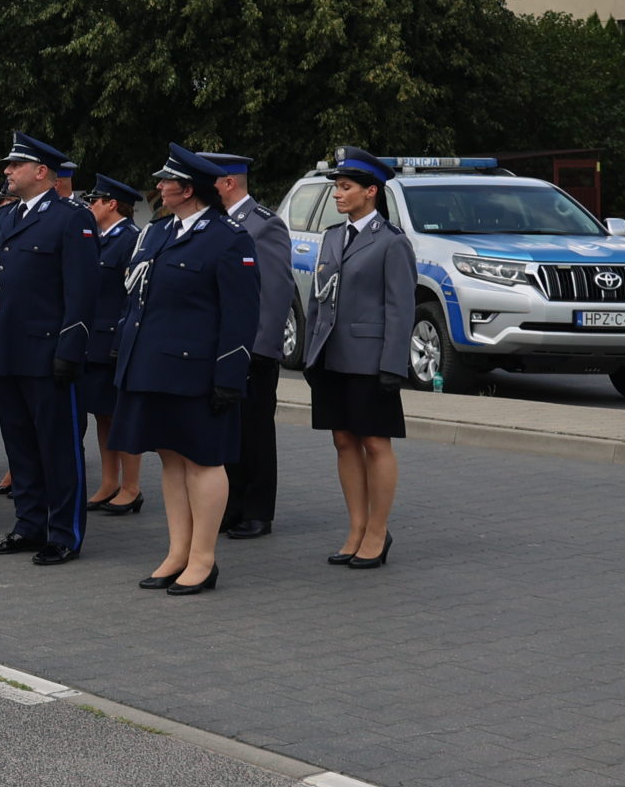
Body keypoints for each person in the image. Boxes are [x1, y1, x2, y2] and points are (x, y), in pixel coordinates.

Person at [112, 145, 257, 595]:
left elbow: (241, 315)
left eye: (165, 181)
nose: (158, 187)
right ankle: (178, 552)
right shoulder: (157, 233)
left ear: (188, 189)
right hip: (154, 367)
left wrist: (230, 376)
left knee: (204, 461)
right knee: (170, 460)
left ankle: (203, 558)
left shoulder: (229, 238)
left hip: (198, 372)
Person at [0, 135, 97, 566]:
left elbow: (82, 293)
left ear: (41, 171)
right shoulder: (7, 219)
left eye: (15, 165)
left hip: (47, 355)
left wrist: (70, 348)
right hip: (7, 353)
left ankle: (64, 532)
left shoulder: (71, 219)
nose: (6, 171)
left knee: (58, 446)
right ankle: (29, 523)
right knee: (20, 445)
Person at [303, 149, 412, 571]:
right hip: (332, 355)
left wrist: (392, 366)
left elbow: (400, 308)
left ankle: (378, 532)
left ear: (371, 192)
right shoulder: (332, 237)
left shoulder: (391, 241)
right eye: (336, 186)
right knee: (343, 440)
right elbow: (318, 298)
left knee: (374, 442)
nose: (337, 194)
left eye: (345, 187)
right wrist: (312, 351)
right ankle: (356, 527)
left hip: (370, 360)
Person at [201, 152, 292, 540]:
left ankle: (257, 510)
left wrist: (258, 349)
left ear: (228, 183)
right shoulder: (218, 224)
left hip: (251, 350)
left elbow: (275, 292)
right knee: (227, 431)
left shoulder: (262, 226)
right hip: (220, 347)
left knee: (254, 431)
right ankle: (232, 505)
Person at [81, 174, 146, 514]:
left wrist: (120, 342)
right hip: (95, 339)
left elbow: (132, 299)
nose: (89, 206)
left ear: (111, 204)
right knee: (102, 415)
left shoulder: (130, 240)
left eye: (94, 201)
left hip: (115, 341)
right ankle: (109, 481)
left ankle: (132, 487)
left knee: (121, 415)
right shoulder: (98, 238)